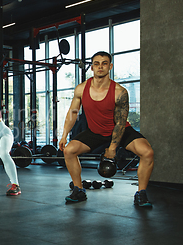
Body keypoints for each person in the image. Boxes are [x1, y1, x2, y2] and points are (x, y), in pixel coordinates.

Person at [59, 51, 153, 206]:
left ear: (110, 66)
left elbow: (120, 123)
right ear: (92, 67)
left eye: (104, 63)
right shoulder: (81, 89)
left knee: (147, 152)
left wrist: (112, 148)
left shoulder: (119, 92)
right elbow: (73, 113)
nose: (100, 67)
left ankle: (141, 193)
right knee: (69, 151)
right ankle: (79, 190)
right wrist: (64, 135)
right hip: (95, 131)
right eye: (96, 63)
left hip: (120, 130)